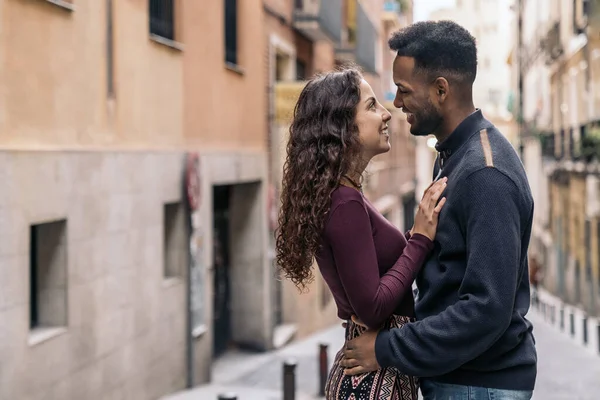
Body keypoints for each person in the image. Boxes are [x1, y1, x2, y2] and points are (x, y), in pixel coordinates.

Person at [340, 20, 537, 400]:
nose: (396, 104)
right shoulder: (453, 156)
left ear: (441, 90)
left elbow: (486, 309)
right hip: (461, 379)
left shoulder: (486, 174)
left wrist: (385, 349)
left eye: (403, 91)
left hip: (479, 384)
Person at [275, 67, 447, 400]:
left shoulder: (344, 196)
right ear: (343, 126)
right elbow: (372, 307)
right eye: (371, 106)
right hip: (370, 380)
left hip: (371, 373)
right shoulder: (345, 203)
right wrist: (419, 240)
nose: (386, 114)